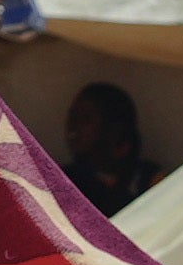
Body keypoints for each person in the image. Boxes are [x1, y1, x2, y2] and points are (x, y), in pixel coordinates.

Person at [58, 81, 157, 213]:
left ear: (114, 128)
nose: (73, 128)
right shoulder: (63, 181)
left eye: (86, 119)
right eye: (72, 117)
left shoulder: (151, 181)